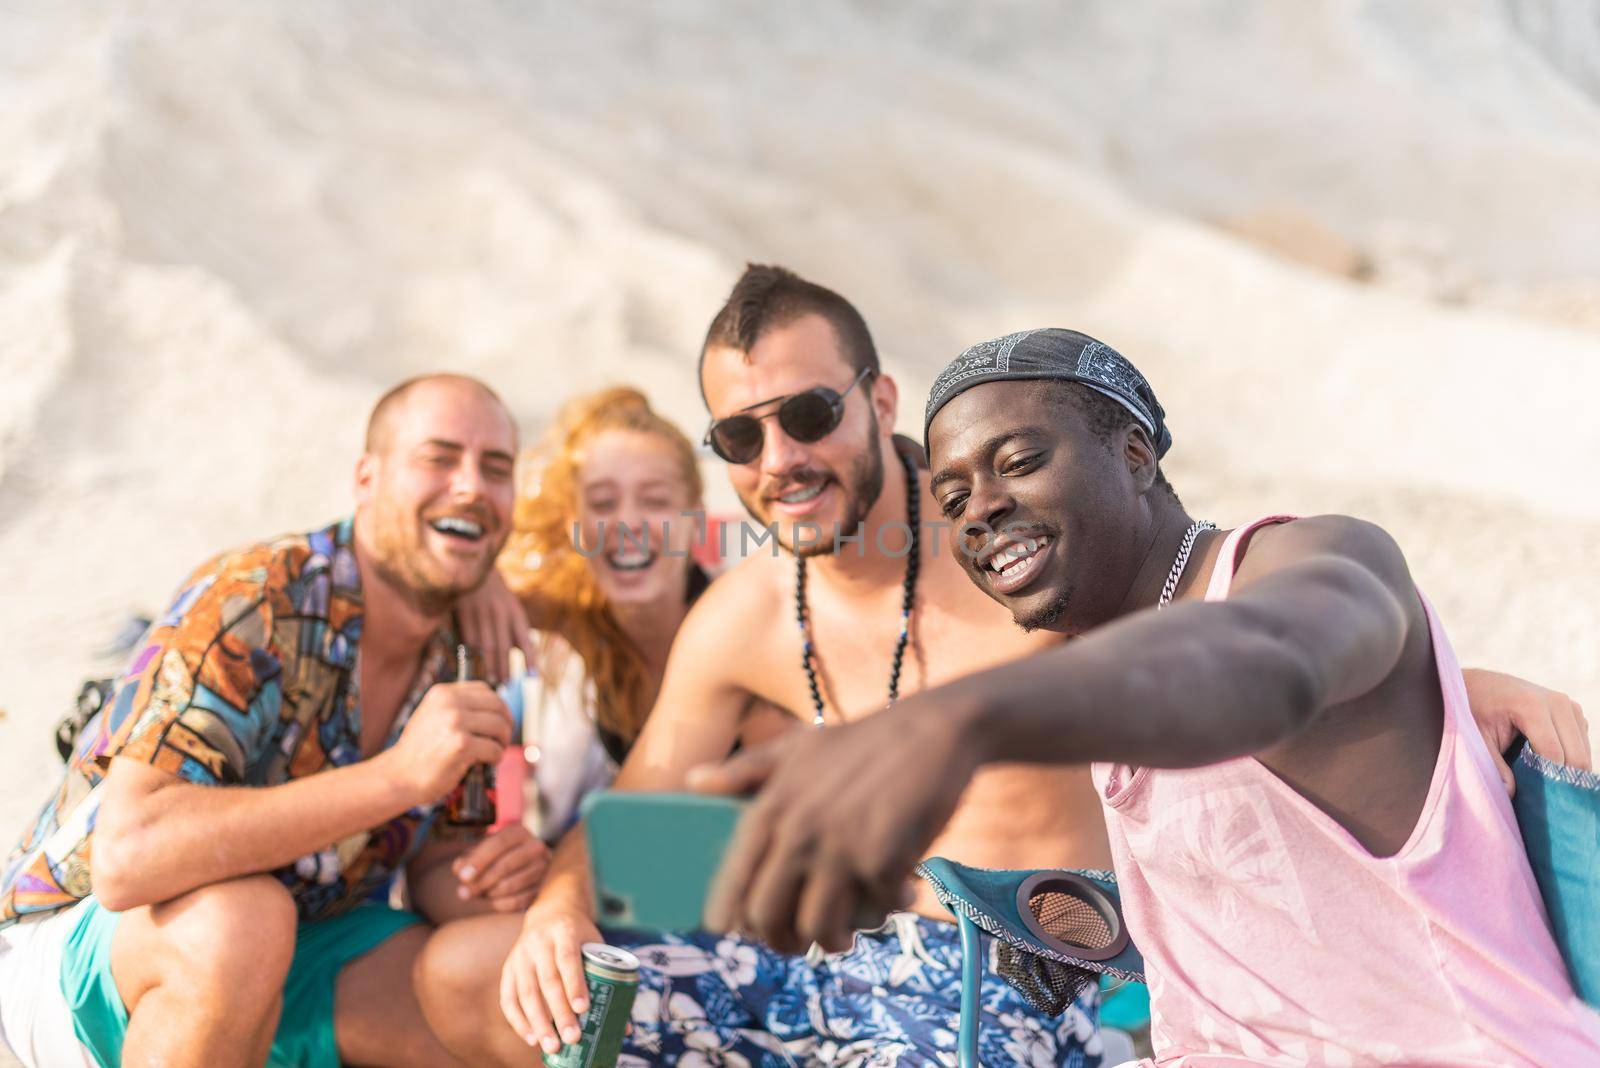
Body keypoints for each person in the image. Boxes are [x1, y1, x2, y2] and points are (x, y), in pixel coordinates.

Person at [417, 268, 1577, 1067]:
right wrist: (562, 907)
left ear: (876, 404)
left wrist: (1448, 682)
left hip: (1064, 988)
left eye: (810, 413)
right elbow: (642, 811)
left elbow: (1246, 634)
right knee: (486, 976)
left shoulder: (1048, 569)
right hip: (901, 971)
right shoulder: (778, 609)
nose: (779, 459)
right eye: (738, 436)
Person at [692, 329, 1600, 1065]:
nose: (980, 510)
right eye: (955, 493)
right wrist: (1080, 931)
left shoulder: (1304, 562)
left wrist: (957, 722)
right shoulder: (1114, 650)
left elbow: (1275, 657)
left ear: (1133, 453)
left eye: (1017, 461)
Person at [0, 374, 550, 1068]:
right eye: (439, 458)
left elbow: (439, 857)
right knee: (243, 923)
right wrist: (394, 778)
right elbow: (127, 857)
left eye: (495, 469)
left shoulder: (466, 650)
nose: (471, 485)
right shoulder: (258, 599)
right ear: (366, 478)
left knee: (503, 975)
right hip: (80, 950)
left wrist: (493, 879)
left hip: (297, 955)